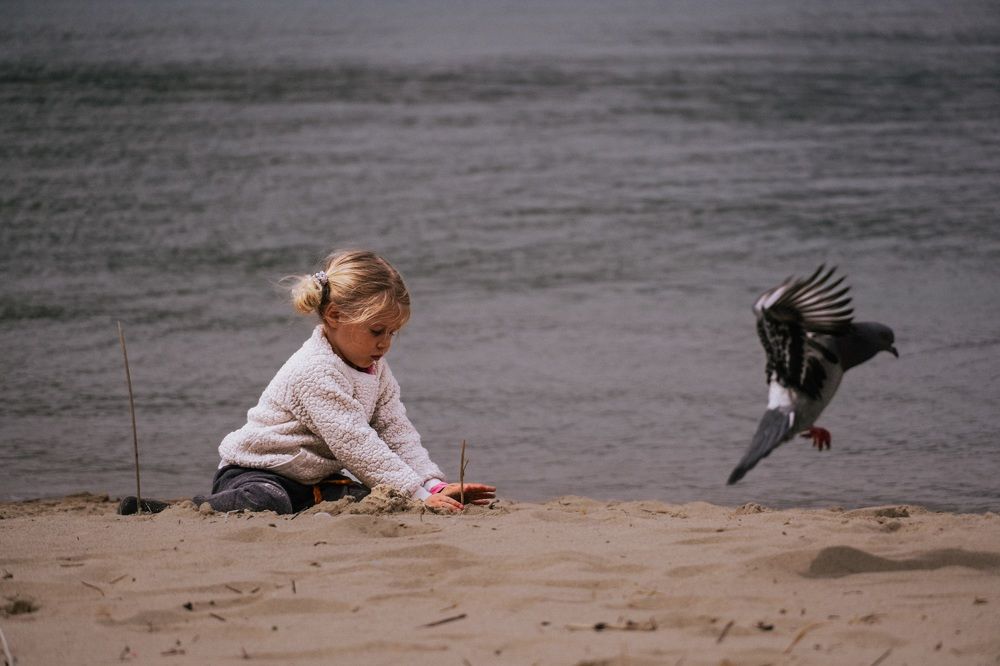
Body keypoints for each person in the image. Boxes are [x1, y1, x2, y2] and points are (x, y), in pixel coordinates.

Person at [119, 249, 495, 515]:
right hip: (256, 472)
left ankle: (313, 501)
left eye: (393, 333)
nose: (385, 343)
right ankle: (182, 508)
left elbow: (396, 431)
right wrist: (414, 493)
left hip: (312, 478)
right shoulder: (315, 370)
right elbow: (355, 443)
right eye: (377, 330)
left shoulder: (373, 369)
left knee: (366, 495)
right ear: (333, 315)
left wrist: (432, 485)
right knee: (269, 501)